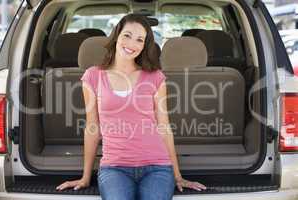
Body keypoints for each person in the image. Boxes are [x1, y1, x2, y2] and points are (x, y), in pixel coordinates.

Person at [56, 13, 207, 199]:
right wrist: (85, 177)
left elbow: (164, 127)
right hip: (114, 168)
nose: (132, 44)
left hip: (157, 167)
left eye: (139, 40)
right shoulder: (93, 76)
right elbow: (92, 128)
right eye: (127, 35)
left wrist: (178, 176)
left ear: (144, 46)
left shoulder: (156, 77)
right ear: (117, 36)